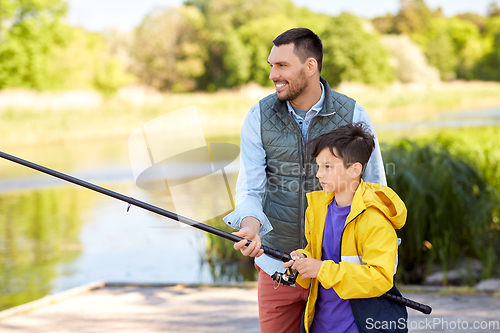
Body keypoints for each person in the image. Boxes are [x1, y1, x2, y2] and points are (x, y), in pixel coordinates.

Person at [223, 27, 386, 333]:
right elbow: (250, 189)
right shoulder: (258, 116)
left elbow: (376, 190)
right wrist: (250, 226)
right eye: (271, 65)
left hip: (336, 270)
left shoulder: (353, 114)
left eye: (282, 65)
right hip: (277, 266)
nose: (273, 74)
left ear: (310, 66)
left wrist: (377, 260)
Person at [283, 123, 408, 333]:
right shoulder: (318, 209)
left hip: (358, 327)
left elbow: (380, 277)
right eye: (318, 166)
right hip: (320, 325)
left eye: (328, 167)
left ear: (355, 169)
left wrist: (321, 269)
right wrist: (303, 259)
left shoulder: (375, 219)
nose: (318, 174)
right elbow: (320, 256)